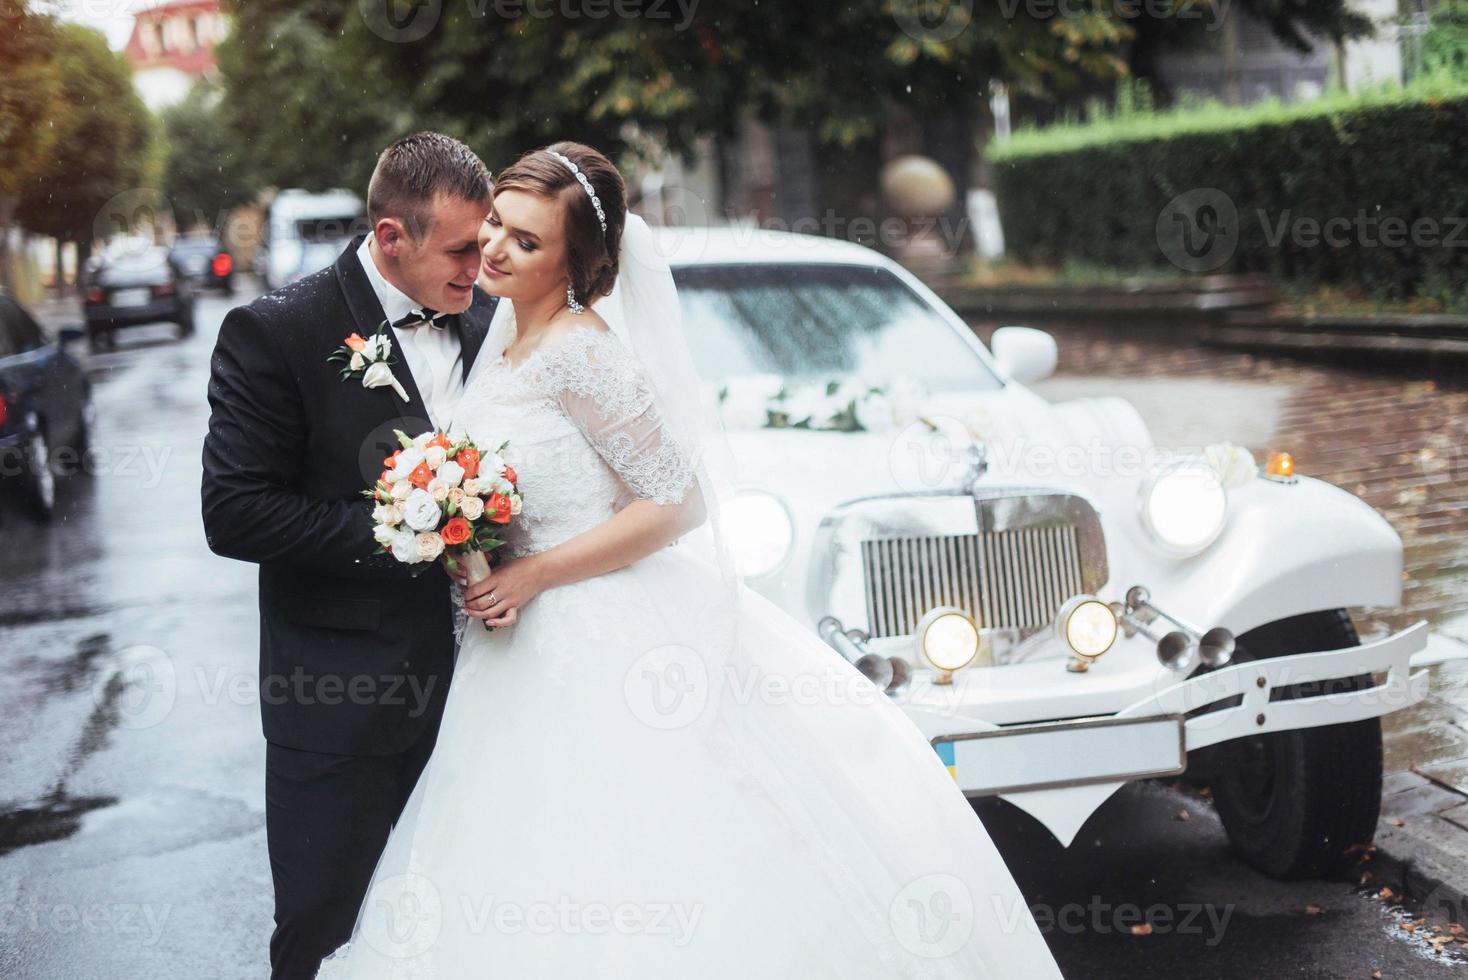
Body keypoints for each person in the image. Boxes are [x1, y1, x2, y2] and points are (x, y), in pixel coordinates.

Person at [315, 141, 1062, 978]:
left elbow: (678, 501)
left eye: (525, 241)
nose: (492, 247)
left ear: (575, 263)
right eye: (495, 223)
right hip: (513, 653)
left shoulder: (581, 349)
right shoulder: (503, 341)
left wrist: (536, 571)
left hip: (601, 638)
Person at [201, 132, 500, 979]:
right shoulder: (278, 332)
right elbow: (235, 511)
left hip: (492, 699)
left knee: (467, 935)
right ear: (390, 238)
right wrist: (416, 529)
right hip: (339, 705)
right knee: (328, 933)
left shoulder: (492, 323)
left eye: (486, 244)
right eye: (461, 248)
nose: (480, 266)